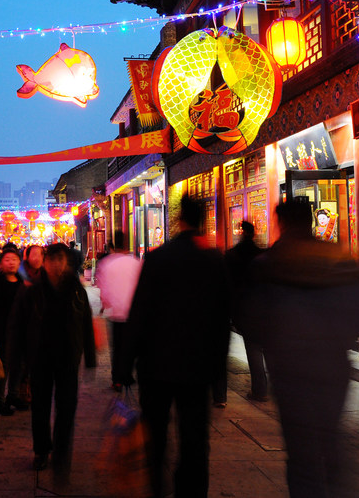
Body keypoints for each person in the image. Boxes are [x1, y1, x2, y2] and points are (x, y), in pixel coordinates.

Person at [240, 200, 359, 498]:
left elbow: (250, 320)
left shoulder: (269, 263)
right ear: (310, 222)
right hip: (332, 368)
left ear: (282, 224)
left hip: (289, 371)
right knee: (329, 438)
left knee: (302, 453)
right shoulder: (339, 258)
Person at [120, 196, 231, 498]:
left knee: (156, 435)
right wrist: (218, 367)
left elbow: (139, 313)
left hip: (157, 365)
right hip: (198, 367)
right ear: (203, 221)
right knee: (195, 438)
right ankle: (192, 491)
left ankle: (158, 486)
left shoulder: (158, 258)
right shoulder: (215, 260)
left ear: (179, 220)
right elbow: (224, 317)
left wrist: (124, 363)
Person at [14, 243, 96, 474]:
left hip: (68, 358)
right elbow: (18, 325)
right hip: (40, 358)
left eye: (63, 260)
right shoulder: (32, 289)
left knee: (67, 408)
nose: (58, 265)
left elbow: (86, 322)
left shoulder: (76, 289)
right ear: (46, 262)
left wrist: (89, 356)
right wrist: (16, 360)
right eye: (54, 259)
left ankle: (61, 450)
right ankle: (41, 450)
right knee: (39, 407)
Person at [226, 220, 267, 402]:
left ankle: (260, 389)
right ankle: (266, 388)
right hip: (266, 306)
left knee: (254, 348)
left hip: (245, 309)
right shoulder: (262, 254)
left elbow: (229, 285)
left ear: (241, 233)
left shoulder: (233, 255)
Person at [95, 229, 140, 392]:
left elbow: (103, 290)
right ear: (127, 245)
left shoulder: (106, 264)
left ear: (113, 246)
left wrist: (106, 305)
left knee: (118, 347)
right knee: (132, 347)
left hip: (116, 313)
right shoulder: (135, 262)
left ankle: (117, 380)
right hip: (133, 313)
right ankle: (127, 375)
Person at [6, 244, 46, 411]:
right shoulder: (19, 275)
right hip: (21, 327)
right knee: (19, 364)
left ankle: (29, 393)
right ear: (26, 257)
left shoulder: (46, 276)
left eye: (39, 255)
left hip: (40, 328)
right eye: (33, 254)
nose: (36, 258)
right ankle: (16, 394)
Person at [0, 246, 24, 416]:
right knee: (3, 368)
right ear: (1, 263)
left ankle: (13, 396)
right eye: (7, 260)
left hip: (20, 332)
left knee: (18, 365)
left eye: (14, 260)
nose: (11, 263)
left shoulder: (24, 282)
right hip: (2, 333)